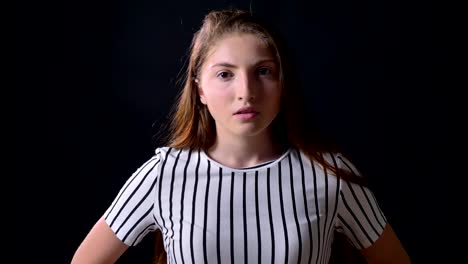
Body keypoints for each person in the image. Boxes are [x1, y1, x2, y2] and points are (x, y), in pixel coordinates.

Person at [71, 8, 410, 264]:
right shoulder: (163, 176)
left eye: (263, 71)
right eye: (225, 74)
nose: (246, 92)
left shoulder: (329, 174)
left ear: (283, 84)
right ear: (199, 88)